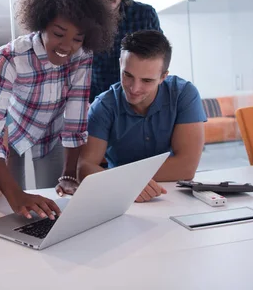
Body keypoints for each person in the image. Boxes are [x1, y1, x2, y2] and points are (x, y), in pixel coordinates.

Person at [0, 0, 115, 220]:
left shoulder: (82, 56)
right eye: (59, 33)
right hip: (14, 133)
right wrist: (15, 194)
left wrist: (69, 175)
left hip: (53, 135)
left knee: (53, 205)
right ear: (42, 24)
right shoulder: (10, 57)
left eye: (77, 38)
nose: (66, 46)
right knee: (12, 203)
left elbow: (75, 118)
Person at [70, 30, 206, 202]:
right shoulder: (103, 107)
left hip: (172, 195)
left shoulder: (184, 94)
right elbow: (85, 169)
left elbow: (186, 167)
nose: (134, 88)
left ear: (163, 76)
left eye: (147, 81)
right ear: (120, 63)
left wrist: (126, 178)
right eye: (127, 75)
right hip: (121, 197)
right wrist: (127, 182)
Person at [80, 0, 162, 102]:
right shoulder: (81, 21)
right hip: (95, 105)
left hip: (139, 102)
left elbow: (157, 61)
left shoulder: (144, 15)